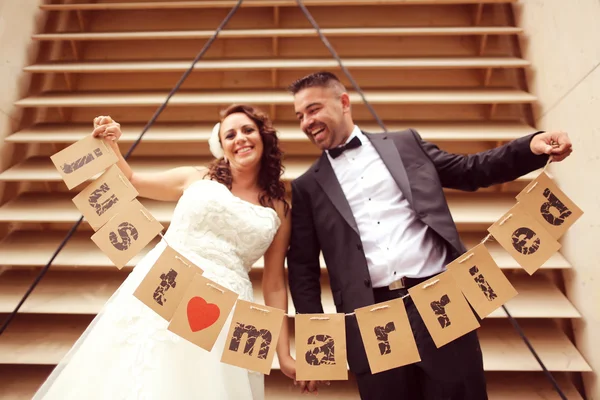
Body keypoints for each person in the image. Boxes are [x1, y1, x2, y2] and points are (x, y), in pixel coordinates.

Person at [285, 71, 573, 399]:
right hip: (371, 322)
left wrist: (530, 148)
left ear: (344, 102)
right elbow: (303, 270)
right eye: (300, 116)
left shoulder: (405, 143)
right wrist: (314, 348)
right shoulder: (306, 187)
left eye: (313, 109)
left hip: (441, 299)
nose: (306, 121)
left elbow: (470, 170)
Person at [33, 104, 299, 400]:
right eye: (230, 134)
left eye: (248, 130)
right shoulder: (195, 177)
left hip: (227, 309)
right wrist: (111, 146)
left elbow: (275, 284)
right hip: (164, 287)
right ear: (222, 146)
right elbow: (131, 182)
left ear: (264, 137)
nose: (240, 138)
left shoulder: (279, 209)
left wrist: (284, 355)